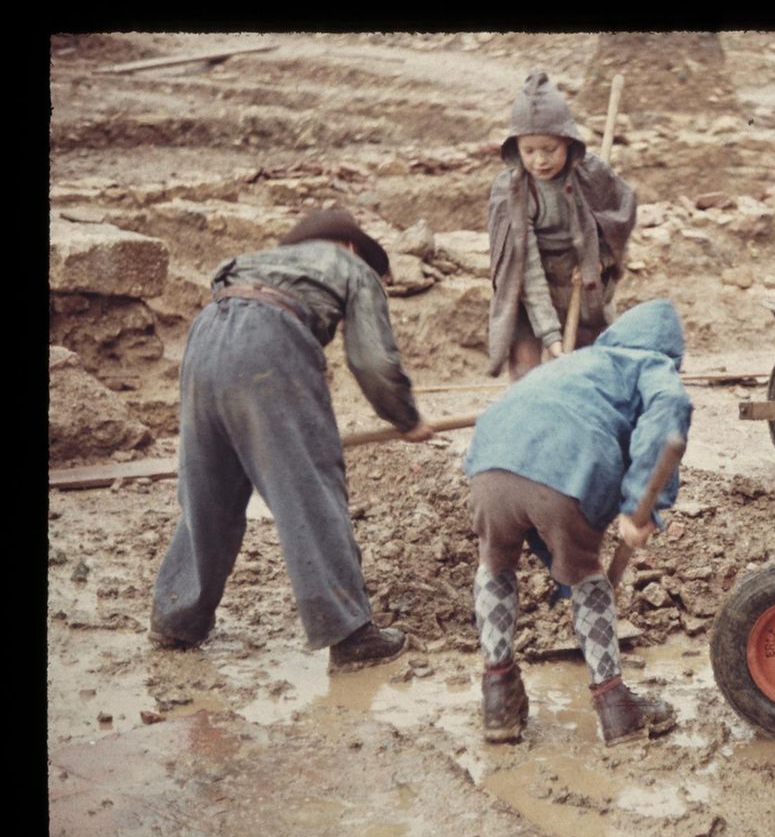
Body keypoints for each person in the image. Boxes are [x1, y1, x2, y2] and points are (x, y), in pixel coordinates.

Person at [150, 209, 435, 671]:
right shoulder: (351, 266)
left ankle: (177, 617)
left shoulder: (258, 260)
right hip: (270, 338)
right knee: (308, 488)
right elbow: (372, 360)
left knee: (209, 486)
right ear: (350, 246)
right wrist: (405, 417)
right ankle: (350, 635)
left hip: (204, 338)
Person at [464, 298, 691, 746]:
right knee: (587, 575)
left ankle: (498, 701)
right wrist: (638, 506)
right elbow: (669, 412)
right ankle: (616, 709)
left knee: (495, 563)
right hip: (565, 471)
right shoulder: (653, 366)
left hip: (489, 461)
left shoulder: (583, 360)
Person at [486, 70, 637, 381]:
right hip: (530, 294)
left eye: (550, 149)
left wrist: (601, 260)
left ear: (568, 142)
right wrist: (552, 337)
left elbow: (621, 215)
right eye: (529, 151)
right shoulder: (513, 192)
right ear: (516, 148)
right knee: (529, 376)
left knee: (589, 374)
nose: (540, 160)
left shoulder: (591, 175)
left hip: (579, 287)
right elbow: (526, 269)